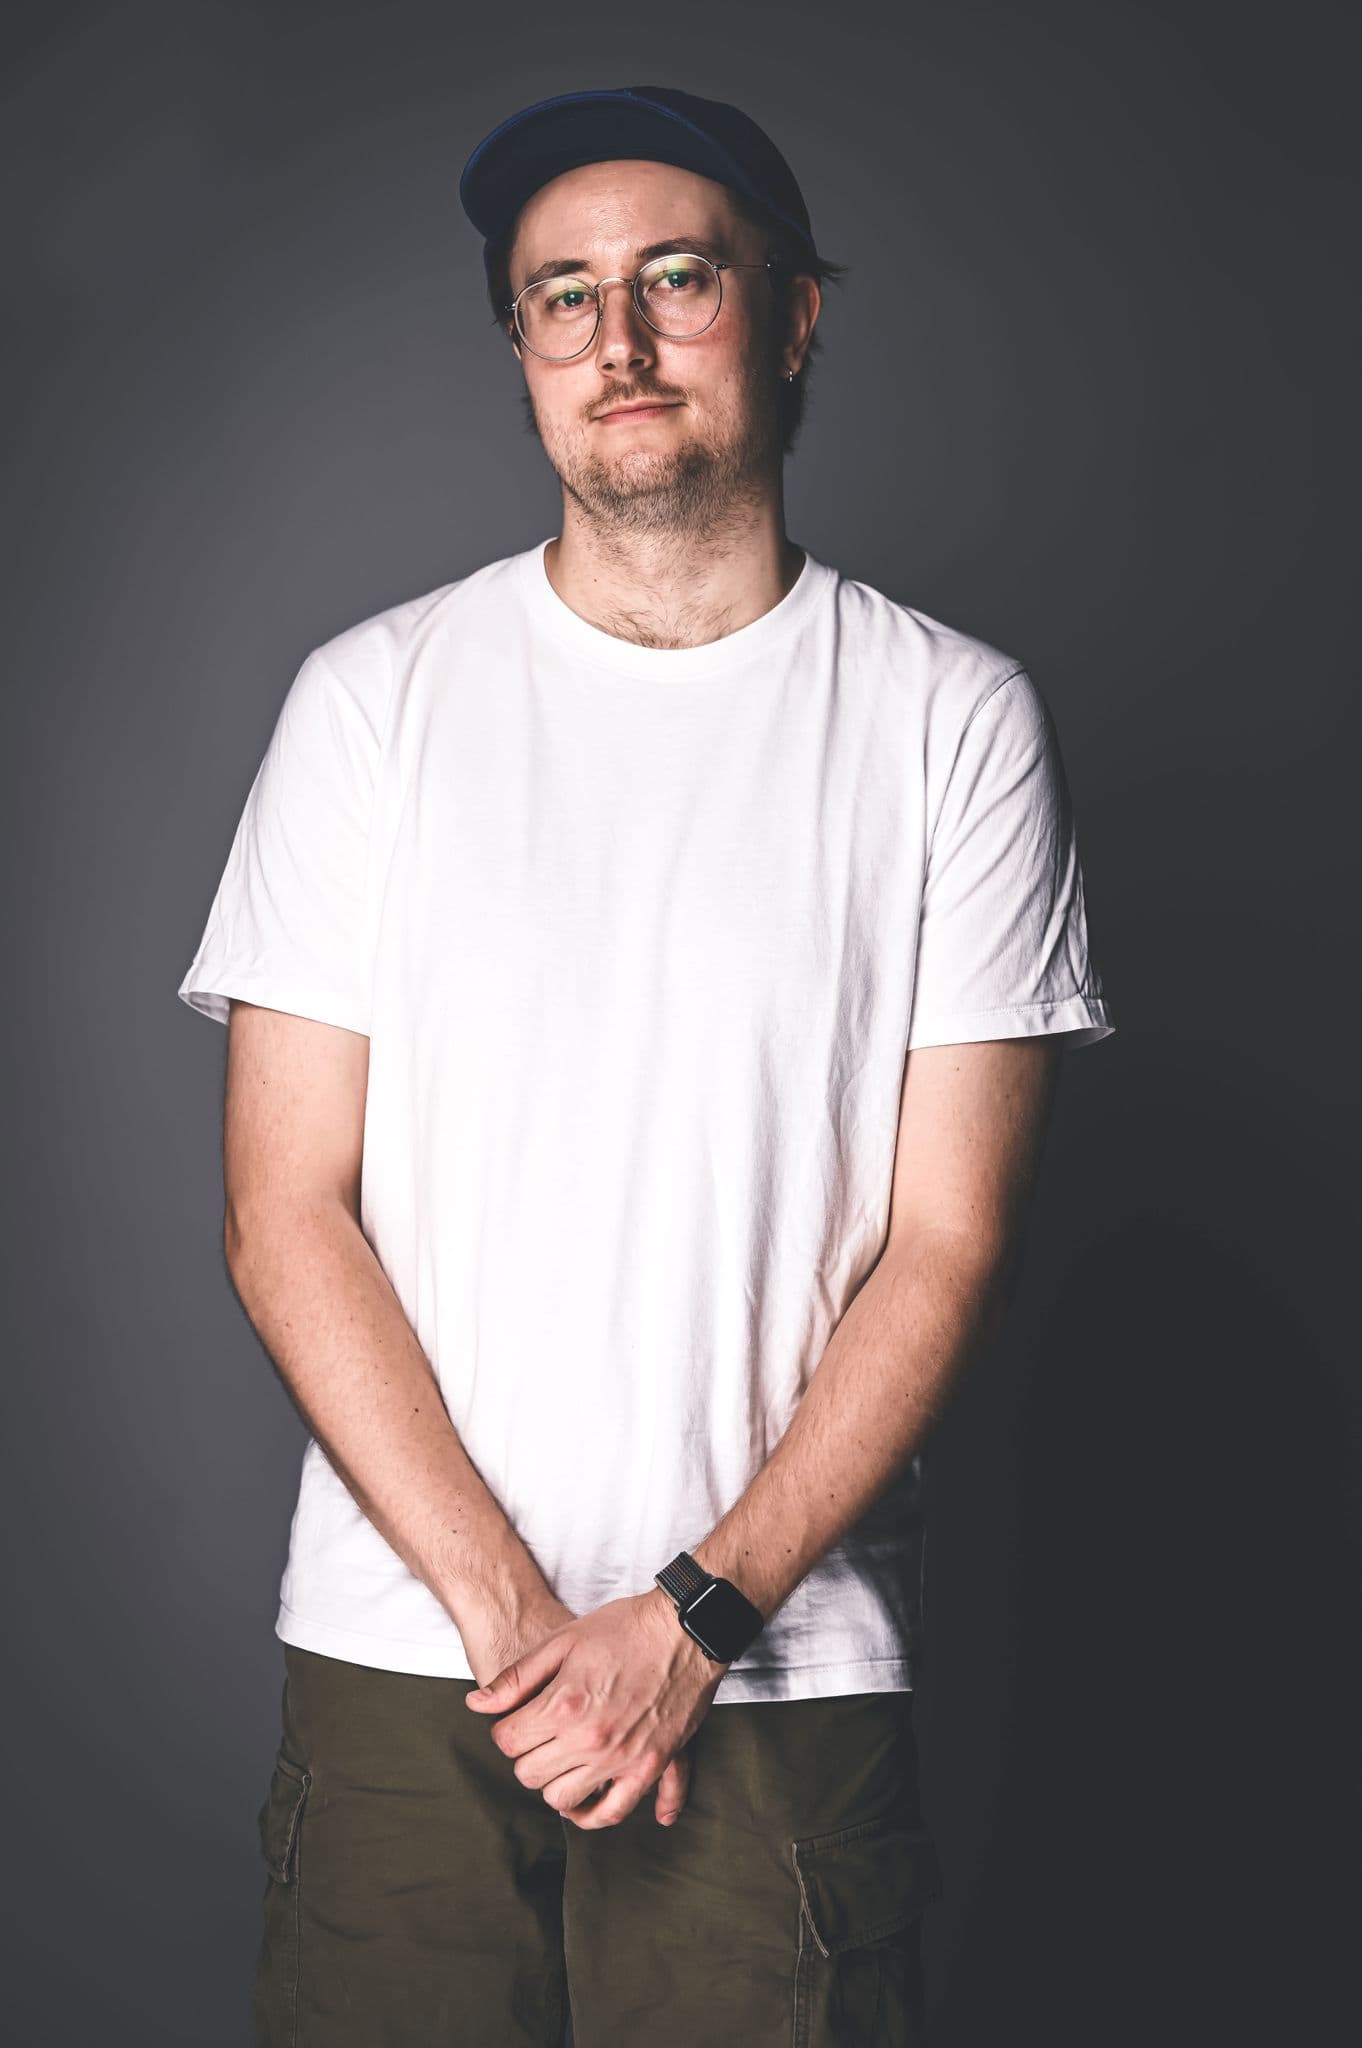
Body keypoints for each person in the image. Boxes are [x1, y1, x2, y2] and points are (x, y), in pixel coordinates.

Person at [177, 83, 1115, 2048]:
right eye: (561, 296)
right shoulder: (374, 704)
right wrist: (525, 1627)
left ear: (790, 318)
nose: (617, 342)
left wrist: (690, 1621)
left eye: (676, 281)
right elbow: (286, 1210)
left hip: (781, 1678)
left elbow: (948, 1242)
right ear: (519, 348)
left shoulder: (949, 722)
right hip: (408, 1656)